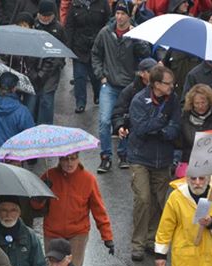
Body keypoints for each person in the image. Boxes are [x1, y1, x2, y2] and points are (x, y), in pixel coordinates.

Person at [125, 65, 181, 262]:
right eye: (168, 83)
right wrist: (161, 120)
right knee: (143, 198)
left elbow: (174, 128)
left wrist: (160, 130)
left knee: (158, 200)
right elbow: (140, 129)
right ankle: (137, 244)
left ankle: (151, 239)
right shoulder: (140, 100)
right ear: (156, 84)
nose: (172, 87)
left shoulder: (173, 100)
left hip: (163, 158)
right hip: (140, 156)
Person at [91, 0, 151, 173]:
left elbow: (146, 55)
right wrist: (101, 75)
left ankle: (123, 153)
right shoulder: (105, 32)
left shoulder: (136, 33)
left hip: (129, 86)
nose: (119, 17)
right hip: (109, 85)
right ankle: (105, 156)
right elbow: (95, 54)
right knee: (104, 121)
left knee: (127, 121)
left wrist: (137, 37)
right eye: (117, 13)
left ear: (129, 15)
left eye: (123, 13)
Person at [32, 152, 114, 266]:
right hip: (53, 231)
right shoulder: (49, 176)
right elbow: (35, 206)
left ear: (78, 159)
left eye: (73, 159)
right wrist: (40, 197)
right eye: (65, 159)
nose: (69, 163)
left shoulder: (88, 179)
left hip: (78, 233)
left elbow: (98, 210)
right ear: (59, 160)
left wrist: (107, 236)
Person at [110, 57, 158, 170]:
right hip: (136, 137)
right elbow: (119, 111)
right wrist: (120, 126)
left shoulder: (162, 89)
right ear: (142, 74)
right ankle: (123, 155)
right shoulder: (130, 90)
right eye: (150, 71)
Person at [64, 0, 110, 114]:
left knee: (95, 76)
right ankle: (80, 102)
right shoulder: (75, 5)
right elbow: (69, 26)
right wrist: (68, 48)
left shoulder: (103, 3)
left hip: (97, 47)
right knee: (79, 77)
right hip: (79, 47)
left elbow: (108, 23)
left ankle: (98, 94)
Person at [25, 1, 66, 125]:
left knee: (46, 102)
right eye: (43, 15)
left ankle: (45, 130)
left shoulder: (58, 29)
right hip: (33, 70)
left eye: (48, 16)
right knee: (31, 103)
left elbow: (61, 52)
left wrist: (55, 66)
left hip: (51, 73)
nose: (45, 18)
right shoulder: (33, 25)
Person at [178, 84, 212, 167]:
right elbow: (181, 143)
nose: (200, 106)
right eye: (197, 103)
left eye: (203, 103)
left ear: (209, 101)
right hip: (190, 162)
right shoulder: (184, 116)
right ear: (192, 103)